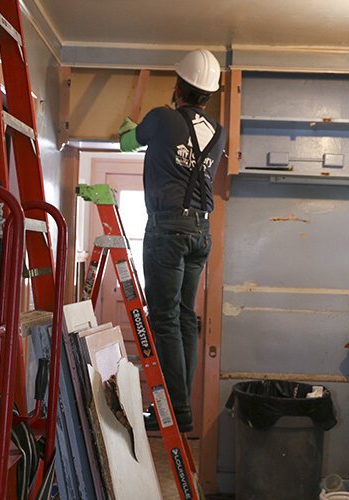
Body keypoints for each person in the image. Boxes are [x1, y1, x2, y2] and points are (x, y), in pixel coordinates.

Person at [118, 49, 226, 433]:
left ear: (178, 86)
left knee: (163, 319)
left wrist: (130, 126)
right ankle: (181, 408)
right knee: (184, 318)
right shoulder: (219, 130)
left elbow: (126, 143)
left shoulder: (162, 118)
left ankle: (175, 410)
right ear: (208, 95)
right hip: (201, 231)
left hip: (168, 229)